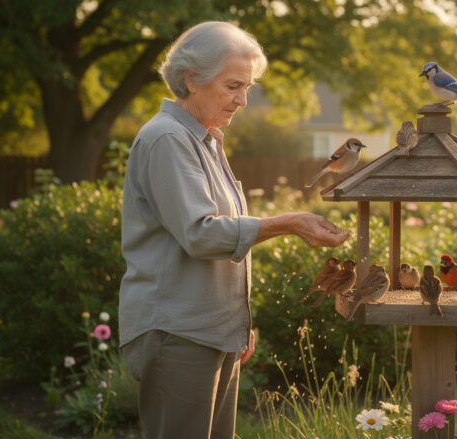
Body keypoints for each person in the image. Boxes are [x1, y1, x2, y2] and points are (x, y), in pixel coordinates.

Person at [118, 21, 349, 439]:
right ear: (192, 78)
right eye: (233, 86)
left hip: (210, 331)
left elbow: (223, 237)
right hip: (178, 332)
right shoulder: (167, 139)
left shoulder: (205, 139)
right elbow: (202, 234)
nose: (243, 100)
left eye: (247, 87)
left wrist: (236, 324)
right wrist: (289, 222)